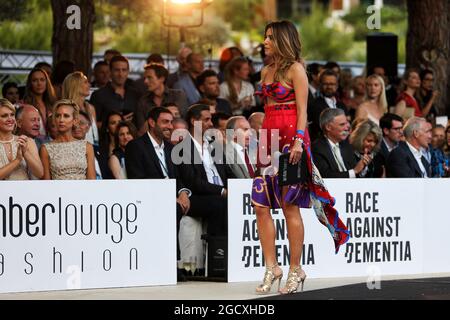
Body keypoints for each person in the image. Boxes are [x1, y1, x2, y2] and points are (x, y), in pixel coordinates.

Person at [252, 21, 349, 295]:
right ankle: (272, 267)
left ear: (283, 39)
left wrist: (297, 140)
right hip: (268, 140)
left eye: (270, 37)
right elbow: (269, 108)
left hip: (292, 141)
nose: (265, 41)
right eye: (265, 36)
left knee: (288, 207)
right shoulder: (266, 71)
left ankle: (296, 269)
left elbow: (303, 111)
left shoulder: (296, 69)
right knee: (260, 204)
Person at [40, 100, 96, 180]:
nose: (61, 120)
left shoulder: (87, 146)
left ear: (75, 121)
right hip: (58, 192)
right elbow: (46, 183)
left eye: (66, 116)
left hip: (83, 191)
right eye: (58, 116)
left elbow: (92, 180)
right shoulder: (45, 149)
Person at [0, 99, 43, 180]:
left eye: (12, 115)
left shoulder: (27, 141)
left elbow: (40, 173)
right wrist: (17, 160)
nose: (10, 119)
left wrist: (25, 152)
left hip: (24, 191)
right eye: (4, 116)